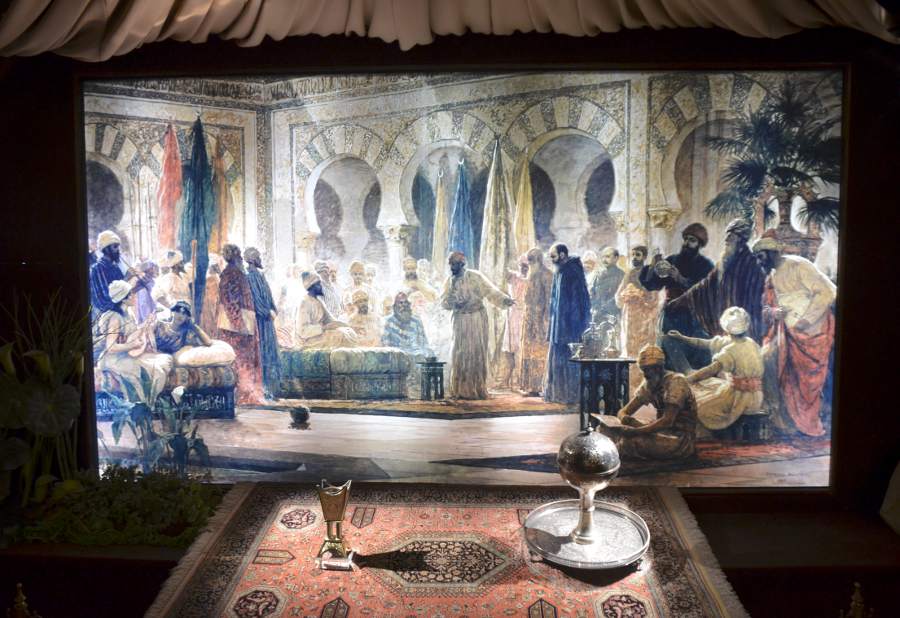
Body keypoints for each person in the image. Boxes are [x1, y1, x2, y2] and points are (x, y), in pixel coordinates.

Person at [753, 234, 836, 437]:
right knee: (767, 357)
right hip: (785, 331)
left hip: (814, 330)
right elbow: (766, 309)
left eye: (761, 257)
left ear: (772, 253)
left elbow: (827, 292)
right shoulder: (770, 278)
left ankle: (808, 420)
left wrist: (806, 320)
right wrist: (773, 313)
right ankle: (781, 418)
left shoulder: (798, 265)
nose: (759, 262)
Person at [668, 217, 767, 343]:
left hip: (745, 328)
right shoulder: (724, 262)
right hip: (725, 323)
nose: (726, 239)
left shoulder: (752, 265)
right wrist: (680, 301)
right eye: (727, 235)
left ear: (740, 239)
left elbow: (759, 300)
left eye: (731, 236)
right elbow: (705, 286)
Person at [668, 306, 764, 433]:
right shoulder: (751, 343)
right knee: (710, 386)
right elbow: (705, 343)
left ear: (727, 329)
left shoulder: (730, 350)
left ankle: (713, 435)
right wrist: (682, 337)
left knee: (700, 406)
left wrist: (687, 379)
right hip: (757, 397)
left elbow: (709, 371)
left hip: (739, 400)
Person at [600, 344, 697, 461]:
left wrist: (636, 431)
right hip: (659, 430)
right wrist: (626, 419)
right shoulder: (650, 383)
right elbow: (624, 410)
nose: (645, 375)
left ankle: (606, 456)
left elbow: (667, 421)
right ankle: (609, 452)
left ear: (658, 368)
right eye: (643, 370)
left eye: (647, 370)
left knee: (629, 441)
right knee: (603, 428)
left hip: (678, 438)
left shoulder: (676, 382)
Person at [639, 223, 715, 373]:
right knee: (669, 352)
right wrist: (653, 266)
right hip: (671, 315)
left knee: (696, 354)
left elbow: (705, 291)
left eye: (692, 240)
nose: (687, 243)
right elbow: (653, 285)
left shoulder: (705, 265)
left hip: (694, 317)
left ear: (699, 244)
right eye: (686, 239)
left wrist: (680, 278)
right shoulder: (672, 260)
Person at [440, 251, 514, 399]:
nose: (451, 267)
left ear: (462, 264)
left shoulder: (475, 276)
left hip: (477, 319)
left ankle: (476, 389)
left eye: (454, 264)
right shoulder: (449, 281)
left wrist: (504, 300)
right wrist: (453, 303)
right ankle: (461, 390)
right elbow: (444, 302)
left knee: (476, 353)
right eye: (450, 264)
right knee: (460, 353)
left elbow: (490, 291)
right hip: (460, 320)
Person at [92, 280, 172, 406]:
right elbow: (111, 347)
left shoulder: (128, 313)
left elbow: (132, 334)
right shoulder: (115, 317)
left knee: (166, 360)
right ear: (123, 299)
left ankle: (148, 404)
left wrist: (147, 323)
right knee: (157, 372)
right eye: (131, 294)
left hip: (125, 355)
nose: (134, 296)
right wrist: (133, 345)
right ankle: (143, 405)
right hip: (112, 359)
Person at [544, 243, 591, 404]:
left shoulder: (572, 271)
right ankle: (558, 394)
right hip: (559, 326)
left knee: (569, 360)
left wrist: (574, 325)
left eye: (553, 256)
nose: (551, 260)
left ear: (563, 255)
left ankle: (570, 396)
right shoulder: (559, 270)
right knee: (558, 359)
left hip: (570, 326)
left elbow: (579, 301)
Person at [218, 244, 264, 405]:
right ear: (235, 258)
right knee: (241, 360)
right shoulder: (231, 274)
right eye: (239, 257)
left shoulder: (235, 273)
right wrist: (239, 324)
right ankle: (243, 395)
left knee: (246, 359)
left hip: (244, 324)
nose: (241, 260)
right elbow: (231, 302)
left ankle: (248, 394)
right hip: (236, 329)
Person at [615, 245, 661, 393]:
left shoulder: (650, 274)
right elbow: (618, 296)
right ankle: (630, 386)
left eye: (638, 255)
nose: (635, 257)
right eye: (633, 254)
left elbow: (654, 298)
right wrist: (626, 295)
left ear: (644, 257)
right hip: (629, 318)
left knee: (643, 349)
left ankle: (644, 386)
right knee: (629, 349)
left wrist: (640, 295)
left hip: (643, 318)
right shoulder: (629, 273)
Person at [245, 247, 281, 399]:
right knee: (263, 354)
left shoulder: (260, 275)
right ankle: (264, 390)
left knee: (270, 353)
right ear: (253, 259)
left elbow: (269, 297)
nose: (260, 259)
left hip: (267, 321)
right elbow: (257, 300)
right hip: (260, 322)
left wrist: (273, 309)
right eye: (258, 257)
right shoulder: (250, 277)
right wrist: (267, 312)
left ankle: (271, 390)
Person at [519, 247, 554, 396]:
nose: (530, 264)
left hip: (540, 320)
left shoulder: (547, 275)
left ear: (539, 260)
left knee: (539, 352)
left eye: (532, 261)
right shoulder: (531, 275)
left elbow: (549, 299)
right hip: (529, 318)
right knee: (528, 351)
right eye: (529, 261)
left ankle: (540, 387)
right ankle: (530, 387)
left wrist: (546, 320)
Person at [295, 271, 358, 348]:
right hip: (308, 340)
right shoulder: (304, 302)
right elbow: (302, 331)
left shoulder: (318, 301)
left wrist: (343, 325)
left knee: (348, 331)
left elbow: (330, 319)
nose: (321, 286)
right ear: (311, 287)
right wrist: (323, 328)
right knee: (340, 335)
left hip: (320, 334)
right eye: (318, 284)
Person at [499, 255, 529, 389]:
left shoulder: (531, 280)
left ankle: (521, 379)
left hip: (524, 315)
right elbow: (503, 272)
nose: (523, 269)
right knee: (510, 349)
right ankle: (506, 379)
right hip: (513, 314)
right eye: (522, 266)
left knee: (521, 348)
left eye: (526, 266)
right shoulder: (514, 277)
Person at [89, 230, 134, 315]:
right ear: (106, 249)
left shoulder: (115, 267)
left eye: (118, 247)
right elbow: (105, 300)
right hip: (109, 316)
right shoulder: (97, 269)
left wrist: (132, 280)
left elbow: (124, 294)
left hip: (120, 313)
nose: (118, 250)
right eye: (115, 247)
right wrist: (126, 278)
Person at [590, 246, 625, 321]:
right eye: (603, 257)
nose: (604, 260)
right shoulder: (598, 275)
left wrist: (603, 308)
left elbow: (620, 296)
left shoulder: (621, 275)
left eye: (607, 257)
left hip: (613, 315)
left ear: (616, 258)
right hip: (597, 314)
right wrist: (595, 306)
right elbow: (592, 292)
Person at [199, 258, 221, 336]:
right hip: (212, 302)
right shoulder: (217, 278)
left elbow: (212, 295)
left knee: (209, 321)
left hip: (209, 303)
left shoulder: (211, 279)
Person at [133, 260, 159, 325]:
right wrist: (148, 319)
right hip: (147, 319)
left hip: (153, 314)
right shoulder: (142, 288)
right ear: (148, 270)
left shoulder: (151, 281)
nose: (155, 270)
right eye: (153, 268)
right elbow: (143, 305)